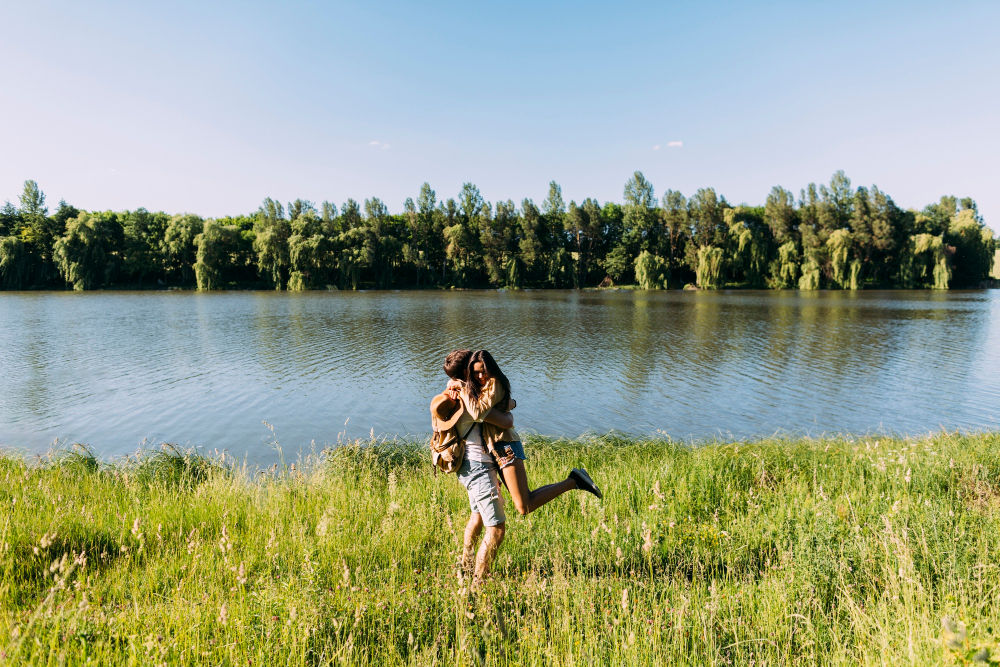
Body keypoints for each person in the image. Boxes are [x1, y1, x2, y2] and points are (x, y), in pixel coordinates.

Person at [442, 349, 602, 584]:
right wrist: (502, 405)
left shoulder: (487, 386)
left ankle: (574, 481)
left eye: (481, 372)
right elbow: (497, 410)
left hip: (505, 449)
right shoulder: (472, 391)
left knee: (522, 506)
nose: (479, 377)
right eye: (474, 373)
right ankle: (466, 568)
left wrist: (499, 406)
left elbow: (497, 417)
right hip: (493, 454)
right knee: (483, 514)